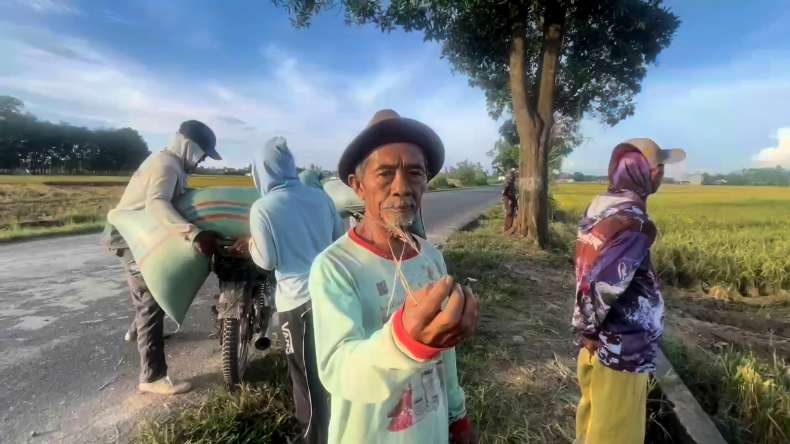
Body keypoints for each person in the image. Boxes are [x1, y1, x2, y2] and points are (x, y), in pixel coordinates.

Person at [308, 109, 480, 444]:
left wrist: (457, 417)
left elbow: (446, 355)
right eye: (385, 174)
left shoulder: (430, 257)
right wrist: (406, 340)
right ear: (358, 186)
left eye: (414, 173)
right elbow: (338, 371)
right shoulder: (336, 266)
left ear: (425, 182)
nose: (401, 188)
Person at [572, 138, 685, 444]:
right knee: (617, 434)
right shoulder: (633, 224)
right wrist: (590, 330)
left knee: (593, 420)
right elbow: (605, 283)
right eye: (658, 167)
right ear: (646, 174)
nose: (661, 175)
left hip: (598, 346)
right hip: (620, 350)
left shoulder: (599, 210)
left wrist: (587, 333)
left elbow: (589, 273)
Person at [102, 120, 222, 395]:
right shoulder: (166, 165)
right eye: (203, 154)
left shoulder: (170, 163)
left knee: (146, 295)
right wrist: (193, 233)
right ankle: (152, 376)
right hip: (129, 237)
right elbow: (157, 203)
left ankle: (136, 333)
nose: (203, 160)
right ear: (190, 147)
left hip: (130, 234)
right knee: (150, 298)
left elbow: (173, 197)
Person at [246, 137, 344, 444]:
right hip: (333, 294)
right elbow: (339, 239)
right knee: (334, 367)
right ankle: (343, 429)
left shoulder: (263, 208)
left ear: (260, 171)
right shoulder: (320, 196)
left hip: (297, 303)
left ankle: (313, 437)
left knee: (304, 376)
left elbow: (267, 260)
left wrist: (249, 245)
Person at [501, 168, 518, 234]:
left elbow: (513, 194)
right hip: (508, 201)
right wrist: (507, 206)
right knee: (509, 214)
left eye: (513, 176)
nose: (512, 178)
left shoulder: (512, 184)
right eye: (511, 176)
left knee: (511, 214)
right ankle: (506, 229)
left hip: (512, 201)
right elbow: (504, 195)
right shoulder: (507, 184)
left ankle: (509, 228)